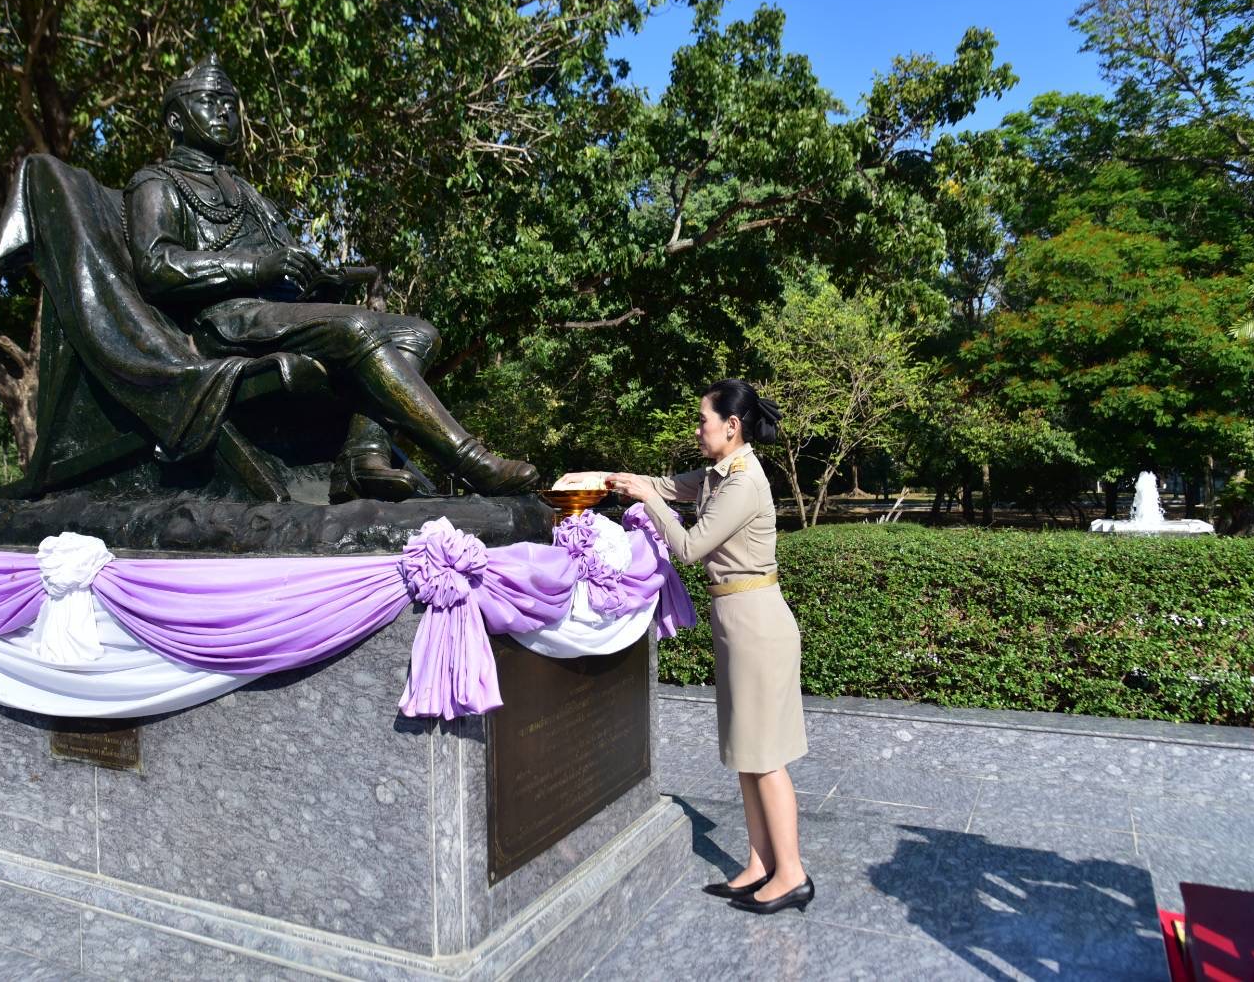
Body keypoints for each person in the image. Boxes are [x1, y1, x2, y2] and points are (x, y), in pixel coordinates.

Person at [123, 55, 536, 500]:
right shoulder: (156, 183)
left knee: (418, 332)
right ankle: (470, 461)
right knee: (358, 325)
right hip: (224, 321)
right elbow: (157, 265)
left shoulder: (246, 192)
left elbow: (284, 260)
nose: (224, 112)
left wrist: (317, 277)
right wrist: (256, 268)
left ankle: (363, 457)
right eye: (209, 102)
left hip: (278, 312)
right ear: (175, 120)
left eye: (230, 103)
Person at [602, 378, 814, 914]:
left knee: (766, 756)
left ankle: (792, 873)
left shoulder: (744, 481)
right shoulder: (719, 474)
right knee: (747, 751)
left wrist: (649, 500)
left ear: (732, 426)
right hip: (736, 620)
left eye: (703, 420)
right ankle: (760, 863)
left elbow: (691, 546)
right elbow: (669, 486)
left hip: (757, 623)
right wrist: (620, 481)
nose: (697, 429)